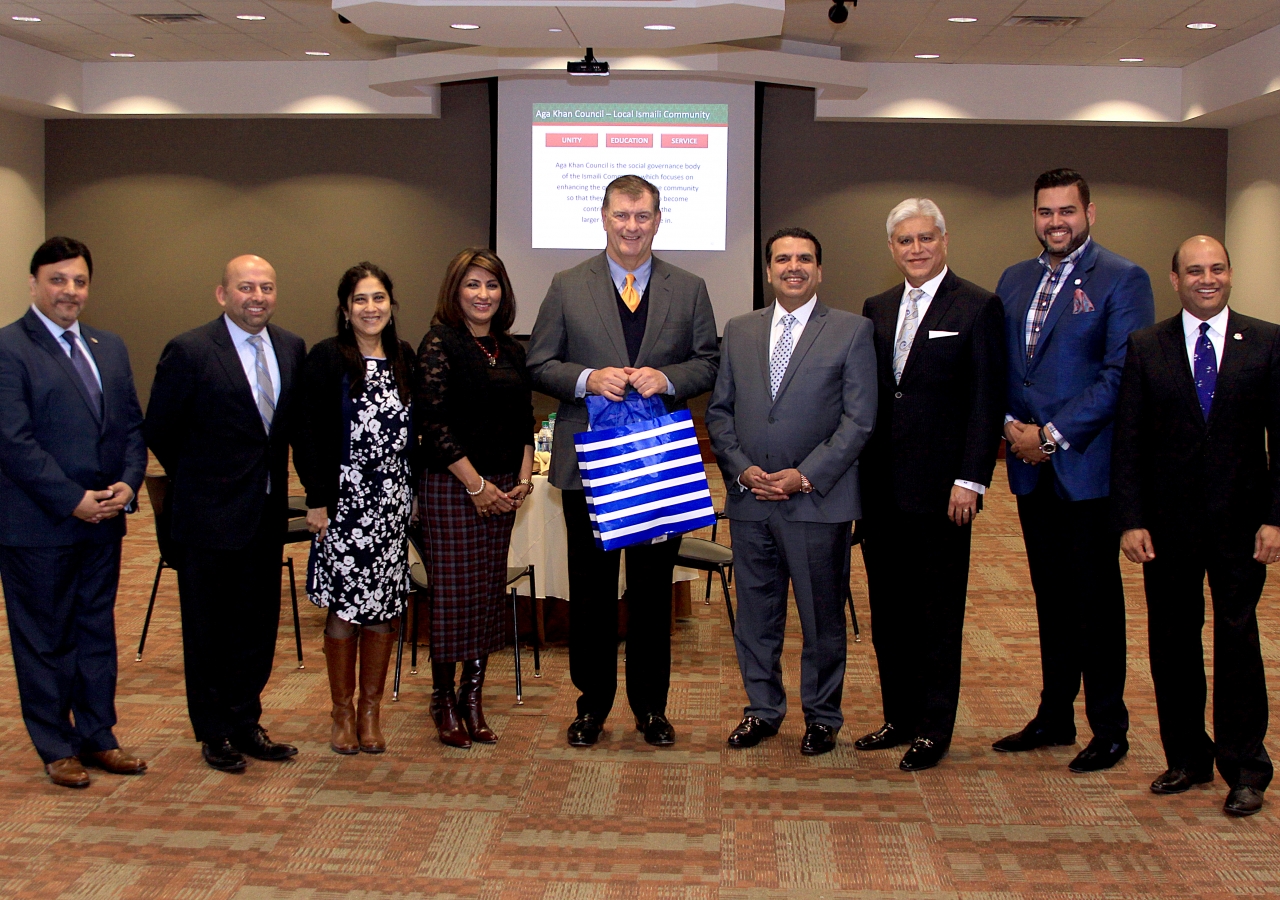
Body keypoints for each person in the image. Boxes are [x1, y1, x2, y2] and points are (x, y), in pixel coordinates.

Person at [527, 174, 719, 748]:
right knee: (590, 592)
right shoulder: (567, 285)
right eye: (621, 216)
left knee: (652, 593)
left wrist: (669, 377)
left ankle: (651, 708)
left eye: (642, 216)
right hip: (590, 465)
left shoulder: (690, 287)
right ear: (603, 217)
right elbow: (539, 362)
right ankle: (592, 706)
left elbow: (708, 362)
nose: (631, 227)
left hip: (659, 466)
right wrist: (587, 378)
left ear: (658, 220)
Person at [993, 168, 1154, 772]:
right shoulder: (1015, 279)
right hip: (1032, 469)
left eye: (1066, 211)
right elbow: (1009, 367)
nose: (1055, 222)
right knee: (1051, 599)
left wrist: (1051, 436)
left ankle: (1110, 727)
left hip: (1084, 469)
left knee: (1096, 603)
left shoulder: (1122, 278)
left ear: (1090, 212)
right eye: (1044, 212)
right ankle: (1054, 715)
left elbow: (1120, 374)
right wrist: (1013, 427)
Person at [1113, 236, 1279, 817]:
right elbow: (1128, 442)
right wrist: (1130, 520)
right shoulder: (1145, 345)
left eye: (1217, 269)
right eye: (1195, 271)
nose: (1207, 279)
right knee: (1173, 642)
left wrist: (1275, 517)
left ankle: (1245, 768)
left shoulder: (1266, 341)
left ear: (1230, 273)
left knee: (1237, 640)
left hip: (1241, 525)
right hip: (1166, 527)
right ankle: (1186, 757)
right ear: (1175, 278)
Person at [705, 228, 877, 756]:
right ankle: (762, 710)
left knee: (822, 618)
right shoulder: (739, 330)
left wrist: (803, 475)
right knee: (756, 617)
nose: (793, 267)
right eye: (783, 259)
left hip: (816, 501)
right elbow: (720, 412)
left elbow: (859, 419)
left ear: (819, 271)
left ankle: (822, 717)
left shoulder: (852, 331)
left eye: (805, 259)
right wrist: (742, 469)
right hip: (751, 500)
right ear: (769, 269)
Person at [857, 200, 1006, 771]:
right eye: (903, 241)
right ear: (891, 248)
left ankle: (934, 727)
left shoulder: (978, 305)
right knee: (889, 611)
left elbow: (986, 401)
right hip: (882, 490)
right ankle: (899, 716)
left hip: (946, 492)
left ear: (944, 241)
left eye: (925, 239)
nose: (915, 249)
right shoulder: (877, 306)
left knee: (937, 614)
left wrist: (971, 479)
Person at [144, 254, 307, 772]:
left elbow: (289, 429)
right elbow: (162, 430)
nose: (256, 297)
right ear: (222, 294)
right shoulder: (190, 350)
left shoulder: (291, 347)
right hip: (207, 518)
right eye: (245, 288)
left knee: (257, 625)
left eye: (266, 287)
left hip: (265, 515)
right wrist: (205, 479)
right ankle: (213, 731)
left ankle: (245, 720)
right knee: (209, 629)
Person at [0, 237, 148, 788]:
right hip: (38, 525)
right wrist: (72, 499)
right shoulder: (9, 348)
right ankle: (54, 744)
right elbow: (13, 442)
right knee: (44, 637)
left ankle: (97, 736)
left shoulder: (107, 346)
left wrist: (126, 486)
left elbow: (133, 428)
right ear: (35, 283)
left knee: (94, 631)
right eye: (58, 280)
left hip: (105, 520)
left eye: (79, 281)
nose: (70, 291)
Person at [295, 263, 417, 755]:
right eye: (361, 300)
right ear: (346, 309)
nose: (371, 308)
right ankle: (341, 713)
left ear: (391, 305)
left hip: (390, 506)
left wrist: (411, 497)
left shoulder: (404, 357)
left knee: (383, 609)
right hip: (343, 506)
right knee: (346, 609)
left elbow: (414, 433)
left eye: (379, 298)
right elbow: (306, 433)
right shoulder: (327, 358)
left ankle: (371, 713)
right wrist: (317, 498)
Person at [418, 248, 534, 749]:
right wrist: (476, 486)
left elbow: (526, 421)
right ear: (455, 291)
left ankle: (473, 698)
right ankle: (443, 700)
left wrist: (524, 480)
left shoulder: (511, 349)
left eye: (491, 285)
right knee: (453, 594)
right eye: (472, 285)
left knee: (488, 592)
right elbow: (434, 425)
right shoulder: (439, 344)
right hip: (453, 488)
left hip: (505, 487)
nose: (483, 295)